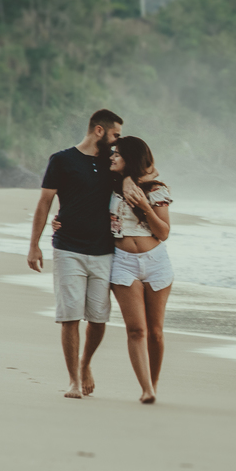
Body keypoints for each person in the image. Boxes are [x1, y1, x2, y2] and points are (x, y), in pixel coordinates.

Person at [27, 108, 129, 399]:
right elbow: (45, 201)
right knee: (69, 316)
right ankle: (73, 380)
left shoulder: (113, 164)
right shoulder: (61, 160)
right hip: (68, 247)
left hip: (104, 250)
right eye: (115, 135)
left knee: (98, 319)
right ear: (99, 130)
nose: (116, 141)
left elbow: (139, 176)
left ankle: (86, 364)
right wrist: (34, 244)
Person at [105, 136, 174, 404]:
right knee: (136, 330)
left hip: (156, 262)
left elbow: (164, 232)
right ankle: (145, 388)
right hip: (122, 262)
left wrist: (144, 207)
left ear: (130, 158)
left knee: (155, 331)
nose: (112, 157)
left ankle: (153, 385)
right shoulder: (109, 186)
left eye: (117, 154)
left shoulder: (156, 190)